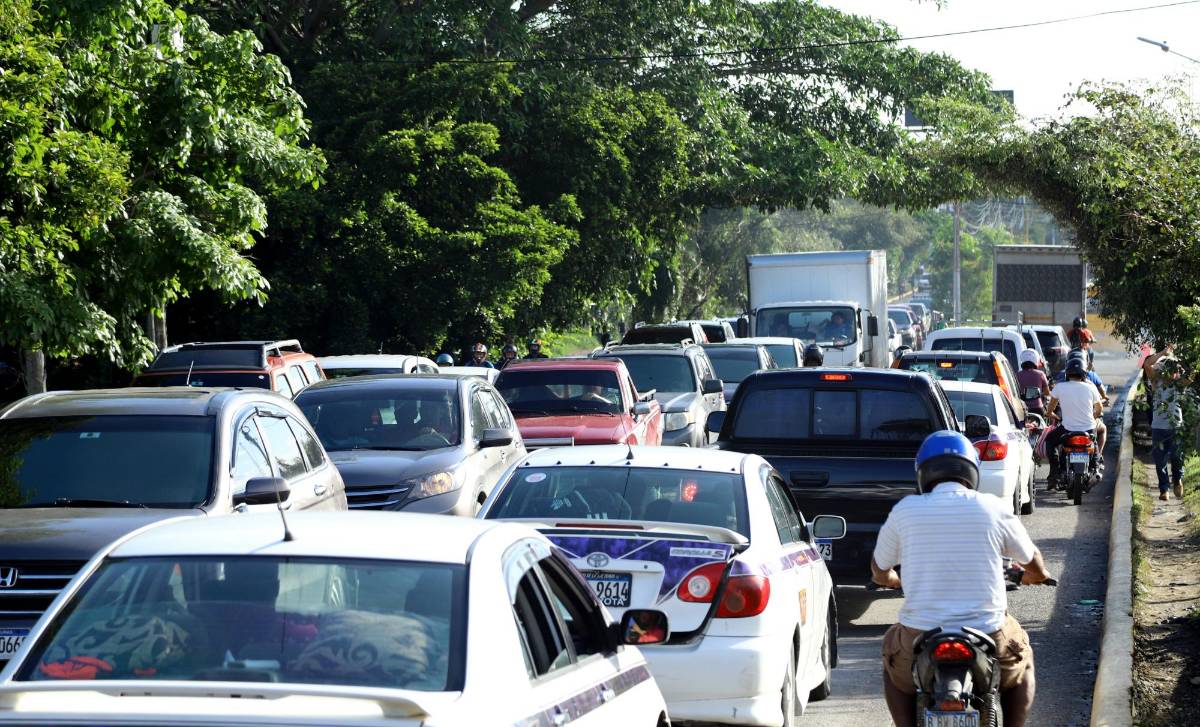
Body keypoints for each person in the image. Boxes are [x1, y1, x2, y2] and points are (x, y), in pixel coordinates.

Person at [872, 430, 1053, 727]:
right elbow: (1030, 557)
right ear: (971, 470)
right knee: (1023, 662)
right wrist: (1039, 575)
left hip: (920, 634)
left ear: (924, 472)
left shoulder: (905, 510)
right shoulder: (992, 507)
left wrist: (890, 579)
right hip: (989, 632)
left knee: (892, 665)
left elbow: (879, 569)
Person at [1044, 358, 1104, 479]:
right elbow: (1099, 409)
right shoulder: (1091, 387)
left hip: (1067, 429)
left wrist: (1053, 415)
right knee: (1094, 442)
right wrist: (1093, 417)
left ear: (1068, 373)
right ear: (1084, 374)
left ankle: (1054, 472)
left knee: (1049, 440)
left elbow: (1050, 410)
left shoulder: (1060, 387)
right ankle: (1096, 467)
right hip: (1089, 428)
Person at [1149, 356, 1188, 500]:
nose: (1171, 372)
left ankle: (1177, 479)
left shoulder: (1179, 384)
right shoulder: (1156, 382)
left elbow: (1191, 375)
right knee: (1160, 461)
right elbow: (1147, 364)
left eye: (1174, 370)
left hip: (1176, 427)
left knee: (1177, 457)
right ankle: (1164, 489)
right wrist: (1163, 353)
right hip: (1158, 428)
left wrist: (1180, 361)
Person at [1016, 349, 1051, 416]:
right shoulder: (1040, 374)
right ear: (1035, 360)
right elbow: (1047, 392)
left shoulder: (1017, 375)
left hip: (1021, 410)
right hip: (1038, 409)